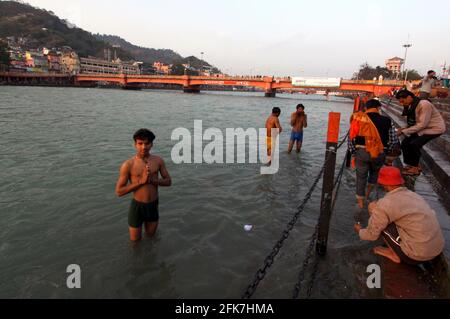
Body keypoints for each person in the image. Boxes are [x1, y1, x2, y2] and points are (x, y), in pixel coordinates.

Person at [354, 166, 445, 265]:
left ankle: (394, 254)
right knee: (383, 214)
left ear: (384, 184)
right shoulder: (414, 195)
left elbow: (372, 234)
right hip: (437, 248)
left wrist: (360, 231)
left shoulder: (386, 203)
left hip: (416, 256)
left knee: (376, 213)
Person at [115, 129, 172, 242]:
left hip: (153, 205)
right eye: (140, 143)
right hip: (137, 207)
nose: (143, 147)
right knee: (135, 243)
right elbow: (119, 191)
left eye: (147, 143)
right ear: (135, 144)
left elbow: (168, 181)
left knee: (151, 239)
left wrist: (153, 180)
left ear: (151, 144)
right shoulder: (128, 165)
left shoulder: (158, 161)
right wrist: (141, 182)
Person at [348, 99, 399, 208]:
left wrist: (353, 152)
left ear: (366, 108)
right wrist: (386, 151)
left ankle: (361, 203)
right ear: (378, 108)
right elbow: (393, 140)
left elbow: (351, 137)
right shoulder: (387, 120)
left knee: (361, 177)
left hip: (362, 151)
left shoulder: (359, 118)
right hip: (380, 152)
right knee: (374, 174)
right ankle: (367, 195)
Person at [395, 89, 446, 175]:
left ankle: (416, 168)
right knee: (405, 143)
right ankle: (411, 165)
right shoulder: (411, 105)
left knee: (415, 144)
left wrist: (404, 131)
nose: (402, 104)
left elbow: (422, 124)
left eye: (403, 101)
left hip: (434, 128)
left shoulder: (424, 104)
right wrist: (403, 129)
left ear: (409, 97)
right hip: (423, 128)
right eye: (401, 102)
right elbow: (414, 122)